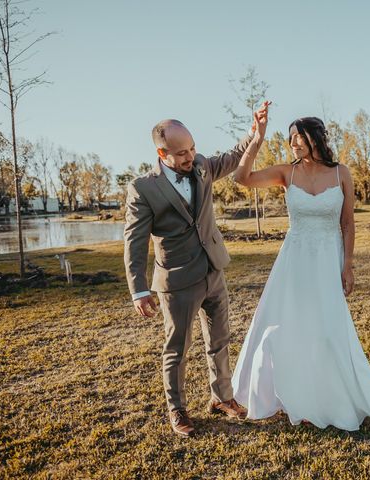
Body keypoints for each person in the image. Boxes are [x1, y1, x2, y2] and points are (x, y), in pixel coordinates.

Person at [231, 112, 370, 431]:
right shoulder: (285, 173)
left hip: (327, 259)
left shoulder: (341, 174)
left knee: (327, 328)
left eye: (299, 136)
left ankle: (329, 396)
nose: (293, 142)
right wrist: (257, 138)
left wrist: (347, 265)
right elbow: (242, 178)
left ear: (315, 139)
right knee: (290, 325)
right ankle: (294, 395)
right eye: (290, 136)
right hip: (294, 261)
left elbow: (347, 223)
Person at [123, 105, 268, 438]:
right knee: (177, 349)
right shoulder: (143, 188)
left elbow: (232, 157)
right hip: (176, 282)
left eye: (192, 148)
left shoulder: (202, 165)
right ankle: (177, 410)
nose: (190, 156)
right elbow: (135, 241)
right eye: (182, 153)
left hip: (213, 270)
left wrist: (254, 132)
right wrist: (139, 289)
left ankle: (222, 398)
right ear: (162, 153)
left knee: (219, 340)